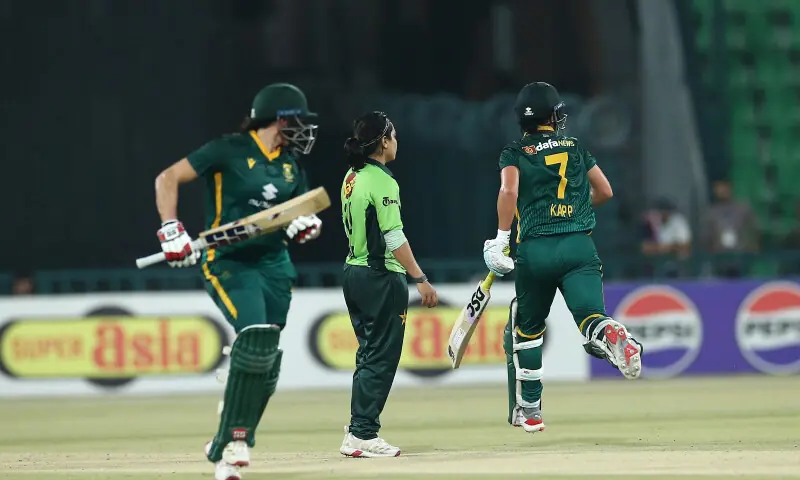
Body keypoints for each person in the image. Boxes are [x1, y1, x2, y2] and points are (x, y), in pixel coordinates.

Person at [153, 83, 322, 480]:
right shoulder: (228, 150)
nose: (304, 128)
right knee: (255, 337)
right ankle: (231, 447)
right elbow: (167, 178)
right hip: (229, 262)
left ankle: (228, 434)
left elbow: (300, 213)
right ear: (279, 119)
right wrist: (171, 229)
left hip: (275, 264)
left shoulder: (290, 165)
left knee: (267, 357)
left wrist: (306, 226)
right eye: (298, 119)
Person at [482, 82, 644, 434]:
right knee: (591, 318)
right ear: (553, 116)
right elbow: (605, 190)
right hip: (578, 246)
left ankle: (531, 410)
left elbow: (509, 191)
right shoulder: (574, 147)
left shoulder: (514, 152)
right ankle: (610, 332)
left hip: (536, 250)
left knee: (528, 331)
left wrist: (501, 238)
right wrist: (576, 208)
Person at [338, 111, 438, 457]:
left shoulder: (352, 176)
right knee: (381, 356)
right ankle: (363, 433)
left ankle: (357, 428)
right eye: (393, 135)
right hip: (379, 276)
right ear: (383, 141)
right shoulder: (382, 181)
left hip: (354, 272)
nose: (397, 141)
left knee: (368, 354)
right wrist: (420, 278)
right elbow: (393, 236)